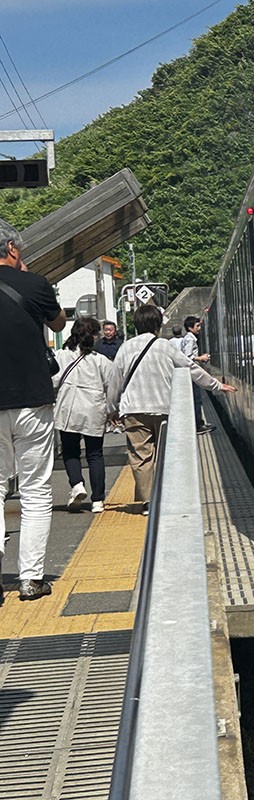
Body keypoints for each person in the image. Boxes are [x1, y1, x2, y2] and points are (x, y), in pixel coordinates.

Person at [113, 304, 235, 514]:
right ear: (158, 325)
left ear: (137, 325)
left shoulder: (126, 348)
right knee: (167, 455)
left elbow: (115, 381)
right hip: (164, 408)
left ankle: (148, 502)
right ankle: (166, 497)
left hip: (133, 410)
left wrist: (112, 408)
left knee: (141, 458)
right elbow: (191, 368)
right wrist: (216, 385)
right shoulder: (165, 346)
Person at [0, 221, 67, 602]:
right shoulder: (35, 284)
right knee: (36, 490)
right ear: (12, 248)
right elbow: (58, 321)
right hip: (32, 402)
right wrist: (27, 277)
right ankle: (31, 579)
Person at [53, 317, 120, 514]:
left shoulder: (61, 355)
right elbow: (112, 386)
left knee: (70, 451)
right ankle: (97, 500)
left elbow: (54, 380)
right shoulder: (100, 360)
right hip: (94, 409)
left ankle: (77, 485)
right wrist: (112, 410)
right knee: (95, 454)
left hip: (68, 408)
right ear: (94, 336)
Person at [178, 315, 215, 433]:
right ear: (190, 328)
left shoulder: (187, 338)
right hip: (192, 373)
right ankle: (198, 425)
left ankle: (198, 423)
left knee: (195, 399)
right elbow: (188, 357)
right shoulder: (190, 339)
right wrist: (201, 358)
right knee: (196, 399)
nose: (199, 328)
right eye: (197, 326)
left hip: (189, 373)